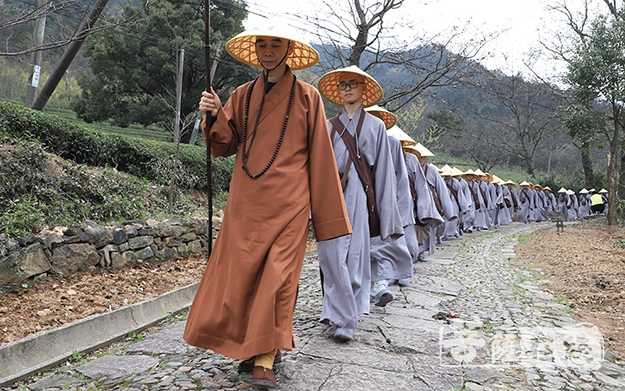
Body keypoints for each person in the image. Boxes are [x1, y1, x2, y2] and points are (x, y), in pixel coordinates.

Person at [183, 21, 352, 389]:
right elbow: (223, 143)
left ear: (288, 51)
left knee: (278, 279)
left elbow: (322, 158)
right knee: (244, 278)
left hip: (290, 204)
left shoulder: (309, 97)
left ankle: (265, 359)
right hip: (247, 201)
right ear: (256, 50)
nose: (269, 50)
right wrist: (211, 113)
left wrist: (325, 215)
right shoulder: (242, 94)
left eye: (276, 44)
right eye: (263, 44)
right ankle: (248, 346)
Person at [316, 65, 403, 341]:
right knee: (330, 256)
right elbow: (317, 168)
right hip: (332, 197)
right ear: (338, 91)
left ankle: (346, 320)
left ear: (364, 89)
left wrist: (385, 214)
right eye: (343, 85)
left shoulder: (377, 127)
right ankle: (336, 309)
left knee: (354, 257)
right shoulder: (328, 126)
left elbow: (384, 173)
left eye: (353, 84)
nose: (348, 88)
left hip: (361, 200)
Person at [365, 105, 414, 302]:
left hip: (385, 202)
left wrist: (401, 209)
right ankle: (367, 288)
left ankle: (382, 286)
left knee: (384, 246)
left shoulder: (392, 143)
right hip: (360, 201)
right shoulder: (357, 139)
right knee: (363, 248)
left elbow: (401, 178)